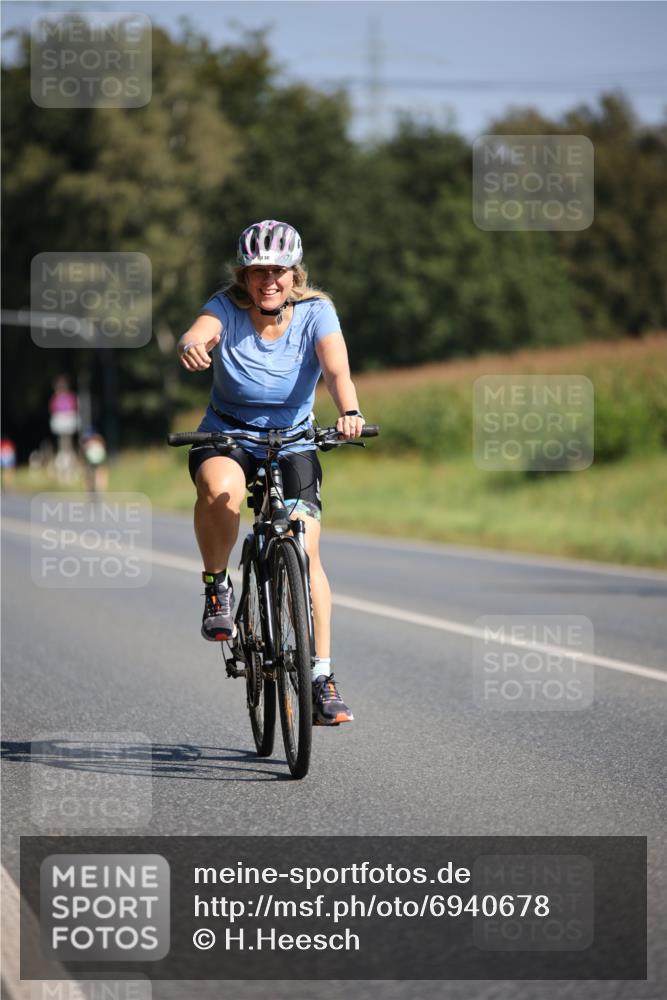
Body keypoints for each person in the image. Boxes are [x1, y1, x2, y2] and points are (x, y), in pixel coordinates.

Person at [176, 220, 365, 726]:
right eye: (258, 271)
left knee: (306, 549)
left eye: (278, 271)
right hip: (228, 436)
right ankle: (217, 586)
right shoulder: (225, 308)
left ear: (294, 273)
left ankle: (321, 676)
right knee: (220, 493)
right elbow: (200, 331)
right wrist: (191, 344)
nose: (268, 281)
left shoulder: (316, 312)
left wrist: (350, 411)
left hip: (294, 441)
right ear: (243, 275)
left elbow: (337, 371)